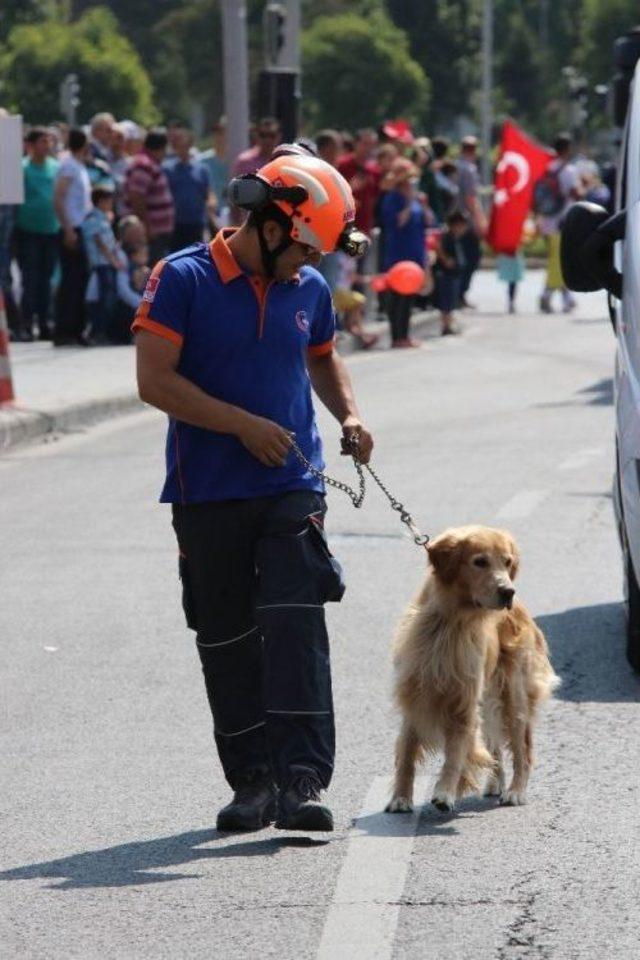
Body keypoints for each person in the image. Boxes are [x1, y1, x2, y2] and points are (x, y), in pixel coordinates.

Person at [132, 152, 373, 833]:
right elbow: (154, 381)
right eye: (301, 247)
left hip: (292, 485)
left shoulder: (309, 289)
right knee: (227, 637)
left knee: (296, 622)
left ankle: (301, 781)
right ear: (267, 223)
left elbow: (323, 356)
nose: (306, 263)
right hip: (205, 491)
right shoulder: (181, 278)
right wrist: (240, 426)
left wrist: (348, 416)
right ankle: (253, 783)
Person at [15, 126, 59, 341]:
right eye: (42, 141)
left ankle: (44, 323)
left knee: (46, 279)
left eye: (49, 141)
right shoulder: (22, 168)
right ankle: (26, 324)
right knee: (30, 279)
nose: (47, 145)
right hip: (28, 232)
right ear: (30, 145)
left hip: (51, 230)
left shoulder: (55, 167)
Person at [378, 157, 428, 347]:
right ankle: (397, 336)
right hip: (398, 255)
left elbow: (425, 223)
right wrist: (408, 201)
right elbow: (398, 222)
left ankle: (404, 335)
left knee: (409, 297)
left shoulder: (415, 200)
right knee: (397, 297)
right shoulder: (393, 199)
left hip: (414, 254)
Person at [53, 127, 92, 346]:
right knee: (71, 281)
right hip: (72, 228)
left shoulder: (78, 166)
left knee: (79, 280)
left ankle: (75, 327)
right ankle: (65, 329)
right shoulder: (68, 166)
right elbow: (59, 198)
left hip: (80, 227)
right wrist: (67, 228)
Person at [536, 133, 580, 314]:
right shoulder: (568, 170)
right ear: (567, 149)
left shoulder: (549, 168)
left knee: (557, 260)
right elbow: (575, 193)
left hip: (549, 221)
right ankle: (547, 296)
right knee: (559, 261)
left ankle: (565, 298)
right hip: (563, 221)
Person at [123, 128, 175, 265]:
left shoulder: (150, 163)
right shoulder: (144, 164)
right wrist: (147, 226)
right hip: (150, 233)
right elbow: (136, 197)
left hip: (157, 232)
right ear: (161, 147)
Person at [82, 184, 123, 344]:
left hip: (107, 265)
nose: (111, 204)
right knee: (102, 301)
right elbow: (100, 242)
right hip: (101, 265)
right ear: (100, 202)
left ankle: (101, 332)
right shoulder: (93, 219)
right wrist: (113, 260)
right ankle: (95, 332)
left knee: (108, 300)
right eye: (108, 201)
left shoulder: (103, 218)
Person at [164, 126, 211, 251]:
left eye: (185, 144)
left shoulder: (202, 169)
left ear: (190, 145)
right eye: (179, 145)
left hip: (196, 222)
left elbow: (207, 193)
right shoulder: (167, 169)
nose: (182, 149)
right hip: (176, 223)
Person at [456, 135, 487, 308]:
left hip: (455, 220)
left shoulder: (457, 165)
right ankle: (460, 293)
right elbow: (471, 198)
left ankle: (458, 294)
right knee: (472, 257)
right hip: (466, 221)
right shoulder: (468, 169)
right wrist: (480, 221)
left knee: (461, 257)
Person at [433, 210, 468, 335]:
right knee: (446, 301)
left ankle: (449, 324)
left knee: (451, 300)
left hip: (453, 274)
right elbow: (437, 247)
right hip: (445, 274)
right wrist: (446, 259)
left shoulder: (455, 238)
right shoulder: (447, 236)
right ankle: (446, 325)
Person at [198, 118, 230, 227]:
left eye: (223, 132)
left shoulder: (237, 158)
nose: (220, 136)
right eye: (217, 133)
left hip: (233, 214)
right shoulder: (202, 160)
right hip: (210, 215)